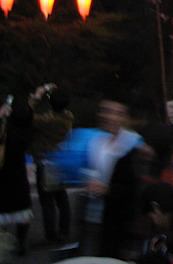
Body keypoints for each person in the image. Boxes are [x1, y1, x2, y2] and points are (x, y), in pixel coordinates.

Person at [79, 97, 142, 257]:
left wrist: (107, 189)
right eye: (106, 111)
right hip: (92, 214)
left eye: (117, 113)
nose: (110, 117)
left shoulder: (135, 144)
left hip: (119, 218)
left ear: (125, 117)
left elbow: (136, 187)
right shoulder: (95, 140)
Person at [27, 84, 74, 243]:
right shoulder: (68, 116)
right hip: (61, 161)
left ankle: (51, 235)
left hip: (46, 161)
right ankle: (64, 230)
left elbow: (28, 116)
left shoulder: (47, 120)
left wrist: (36, 97)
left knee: (47, 202)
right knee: (62, 199)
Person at [0, 94, 33, 255]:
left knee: (3, 208)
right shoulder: (25, 132)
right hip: (19, 175)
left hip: (4, 176)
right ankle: (21, 244)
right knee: (22, 211)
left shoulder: (6, 132)